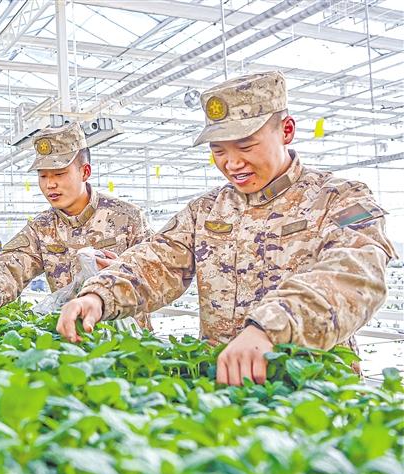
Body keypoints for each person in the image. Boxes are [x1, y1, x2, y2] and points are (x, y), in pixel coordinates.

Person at [57, 71, 395, 386]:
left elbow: (356, 274)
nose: (232, 163)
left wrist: (273, 325)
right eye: (218, 151)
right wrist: (98, 295)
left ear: (287, 130)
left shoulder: (339, 198)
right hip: (226, 391)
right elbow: (156, 260)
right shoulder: (205, 211)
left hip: (315, 390)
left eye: (246, 147)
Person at [0, 122, 153, 325]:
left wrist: (126, 275)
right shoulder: (41, 228)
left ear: (85, 172)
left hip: (127, 338)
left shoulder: (128, 218)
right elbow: (12, 263)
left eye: (59, 174)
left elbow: (158, 274)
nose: (50, 184)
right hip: (72, 336)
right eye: (43, 176)